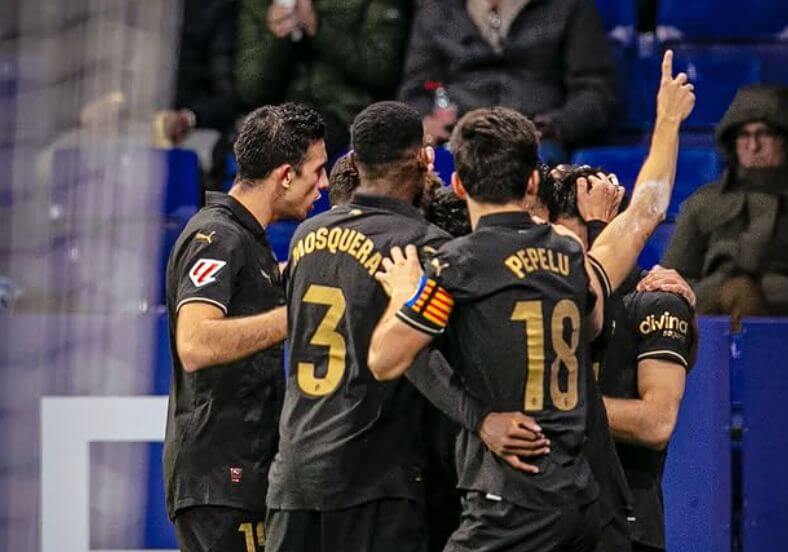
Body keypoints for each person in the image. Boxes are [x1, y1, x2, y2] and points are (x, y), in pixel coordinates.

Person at [368, 50, 694, 551]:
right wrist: (668, 122)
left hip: (508, 503)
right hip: (582, 501)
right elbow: (643, 213)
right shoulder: (569, 257)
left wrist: (402, 293)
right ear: (533, 182)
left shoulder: (457, 268)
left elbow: (387, 359)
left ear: (458, 183)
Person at [266, 101, 548, 552]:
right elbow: (420, 358)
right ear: (424, 158)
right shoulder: (426, 247)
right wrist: (482, 420)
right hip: (374, 482)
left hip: (294, 478)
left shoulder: (305, 237)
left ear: (354, 163)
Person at [163, 103, 329, 552]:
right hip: (221, 482)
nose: (326, 183)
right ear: (286, 175)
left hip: (241, 477)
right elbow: (194, 343)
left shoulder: (246, 240)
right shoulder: (217, 237)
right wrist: (297, 315)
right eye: (318, 170)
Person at [539, 165, 697, 552]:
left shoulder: (656, 300)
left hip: (627, 530)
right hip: (546, 523)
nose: (557, 262)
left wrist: (549, 408)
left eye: (566, 247)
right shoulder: (531, 299)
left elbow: (656, 423)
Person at [398, 0, 618, 161]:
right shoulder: (436, 9)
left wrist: (553, 125)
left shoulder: (570, 7)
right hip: (460, 138)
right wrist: (427, 122)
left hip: (538, 140)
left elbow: (594, 91)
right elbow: (420, 88)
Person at [663, 85, 788, 324]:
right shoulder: (704, 203)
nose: (753, 146)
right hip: (710, 322)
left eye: (764, 134)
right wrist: (722, 292)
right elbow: (671, 282)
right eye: (744, 135)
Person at [236, 0, 411, 159]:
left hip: (348, 114)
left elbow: (382, 69)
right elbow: (251, 90)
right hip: (279, 117)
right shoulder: (260, 4)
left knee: (295, 149)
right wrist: (278, 38)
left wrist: (317, 27)